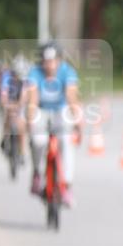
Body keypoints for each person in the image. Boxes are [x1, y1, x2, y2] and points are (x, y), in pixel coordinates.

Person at [25, 42, 82, 207]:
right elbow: (33, 99)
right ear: (41, 61)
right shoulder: (35, 73)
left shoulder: (67, 72)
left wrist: (77, 120)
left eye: (53, 61)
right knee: (38, 141)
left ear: (59, 60)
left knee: (66, 142)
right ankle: (37, 173)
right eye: (46, 61)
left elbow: (71, 97)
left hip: (60, 110)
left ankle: (66, 186)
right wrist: (30, 120)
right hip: (41, 110)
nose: (49, 65)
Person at [0, 54, 31, 163]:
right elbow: (4, 93)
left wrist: (20, 105)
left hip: (20, 101)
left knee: (21, 126)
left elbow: (25, 95)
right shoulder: (7, 77)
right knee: (7, 116)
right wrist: (6, 104)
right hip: (10, 99)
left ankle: (21, 151)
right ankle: (4, 137)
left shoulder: (26, 79)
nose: (18, 77)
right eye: (16, 75)